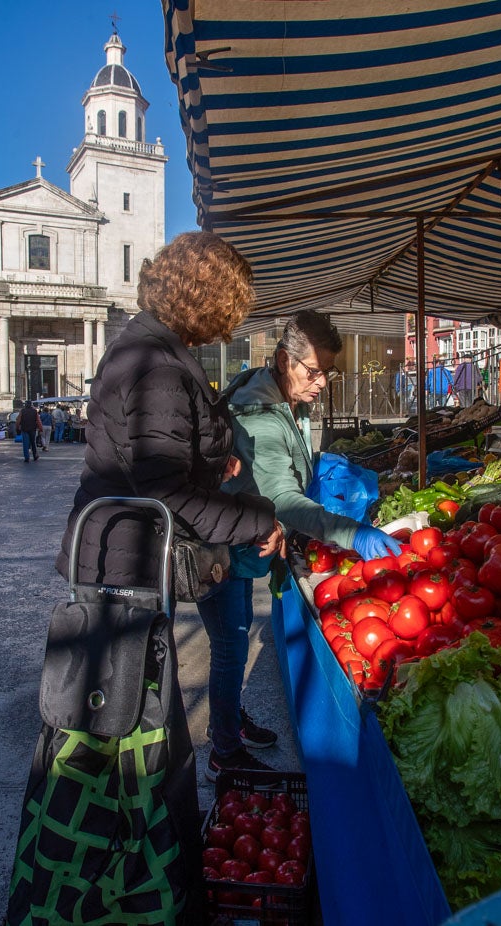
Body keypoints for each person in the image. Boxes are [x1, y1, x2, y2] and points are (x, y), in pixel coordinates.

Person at [8, 231, 281, 926]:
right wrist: (254, 517)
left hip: (120, 569)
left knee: (115, 737)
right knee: (115, 735)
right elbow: (160, 492)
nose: (235, 318)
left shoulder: (152, 348)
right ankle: (110, 894)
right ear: (210, 296)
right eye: (233, 303)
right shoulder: (155, 363)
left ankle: (112, 885)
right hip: (123, 574)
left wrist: (209, 468)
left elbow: (157, 468)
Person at [203, 310, 403, 781]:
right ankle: (223, 752)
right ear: (282, 360)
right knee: (231, 646)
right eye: (312, 371)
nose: (320, 383)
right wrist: (352, 534)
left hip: (241, 539)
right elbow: (283, 498)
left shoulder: (278, 392)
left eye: (327, 373)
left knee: (234, 635)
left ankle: (228, 719)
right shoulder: (260, 415)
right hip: (224, 546)